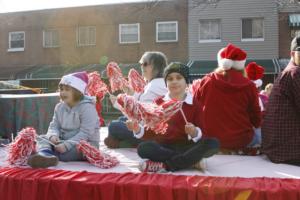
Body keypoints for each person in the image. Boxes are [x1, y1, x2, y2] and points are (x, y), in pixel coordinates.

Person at [127, 62, 219, 172]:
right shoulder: (159, 103)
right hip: (163, 146)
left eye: (179, 78)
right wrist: (137, 129)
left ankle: (166, 165)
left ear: (186, 83)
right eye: (170, 79)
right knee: (143, 148)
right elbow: (150, 131)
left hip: (187, 146)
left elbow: (203, 133)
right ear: (166, 84)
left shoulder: (194, 103)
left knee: (212, 143)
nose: (174, 81)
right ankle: (191, 161)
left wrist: (194, 132)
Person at [193, 44, 262, 151]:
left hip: (210, 140)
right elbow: (256, 119)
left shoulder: (207, 80)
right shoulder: (249, 86)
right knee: (259, 132)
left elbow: (195, 107)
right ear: (241, 65)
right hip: (241, 140)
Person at [27, 71, 100, 168]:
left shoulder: (87, 108)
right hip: (63, 141)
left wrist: (67, 145)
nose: (63, 92)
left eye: (67, 89)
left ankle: (47, 154)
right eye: (61, 89)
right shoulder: (59, 107)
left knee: (68, 154)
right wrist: (53, 136)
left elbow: (86, 133)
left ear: (77, 91)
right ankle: (45, 155)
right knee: (42, 137)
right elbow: (54, 125)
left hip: (85, 143)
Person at [104, 51, 168, 148]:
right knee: (122, 119)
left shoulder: (154, 86)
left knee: (113, 126)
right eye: (141, 63)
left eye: (145, 64)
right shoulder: (156, 83)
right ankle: (117, 141)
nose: (142, 67)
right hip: (153, 126)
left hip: (149, 132)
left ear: (157, 67)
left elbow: (137, 114)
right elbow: (141, 101)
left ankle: (121, 142)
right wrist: (129, 92)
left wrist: (118, 103)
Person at [262, 36, 300, 165]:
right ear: (292, 54)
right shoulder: (295, 72)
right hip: (289, 151)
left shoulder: (287, 71)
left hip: (276, 148)